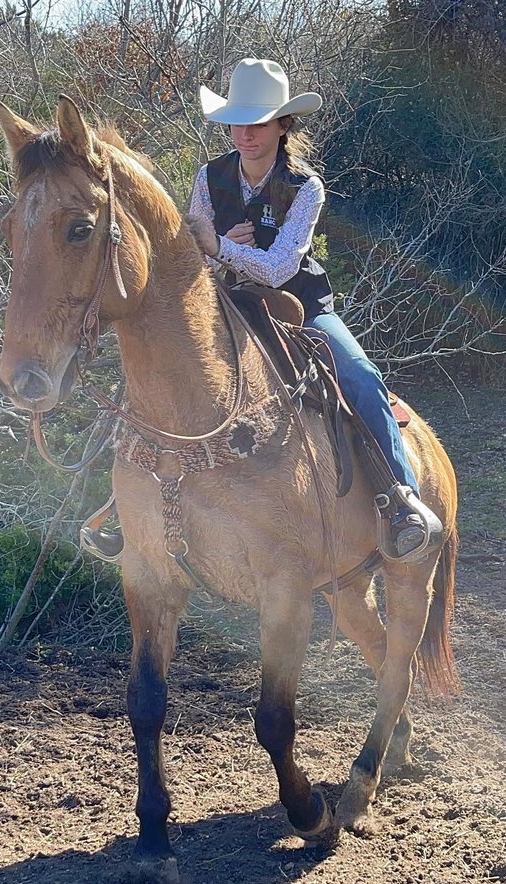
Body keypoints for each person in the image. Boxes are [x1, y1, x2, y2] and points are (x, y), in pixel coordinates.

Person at [186, 58, 439, 559]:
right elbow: (191, 254)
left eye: (258, 123)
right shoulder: (208, 178)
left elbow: (280, 269)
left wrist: (223, 248)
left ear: (283, 125)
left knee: (361, 376)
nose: (246, 134)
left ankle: (401, 498)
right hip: (225, 304)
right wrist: (214, 253)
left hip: (297, 306)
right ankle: (130, 505)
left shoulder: (305, 187)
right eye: (238, 122)